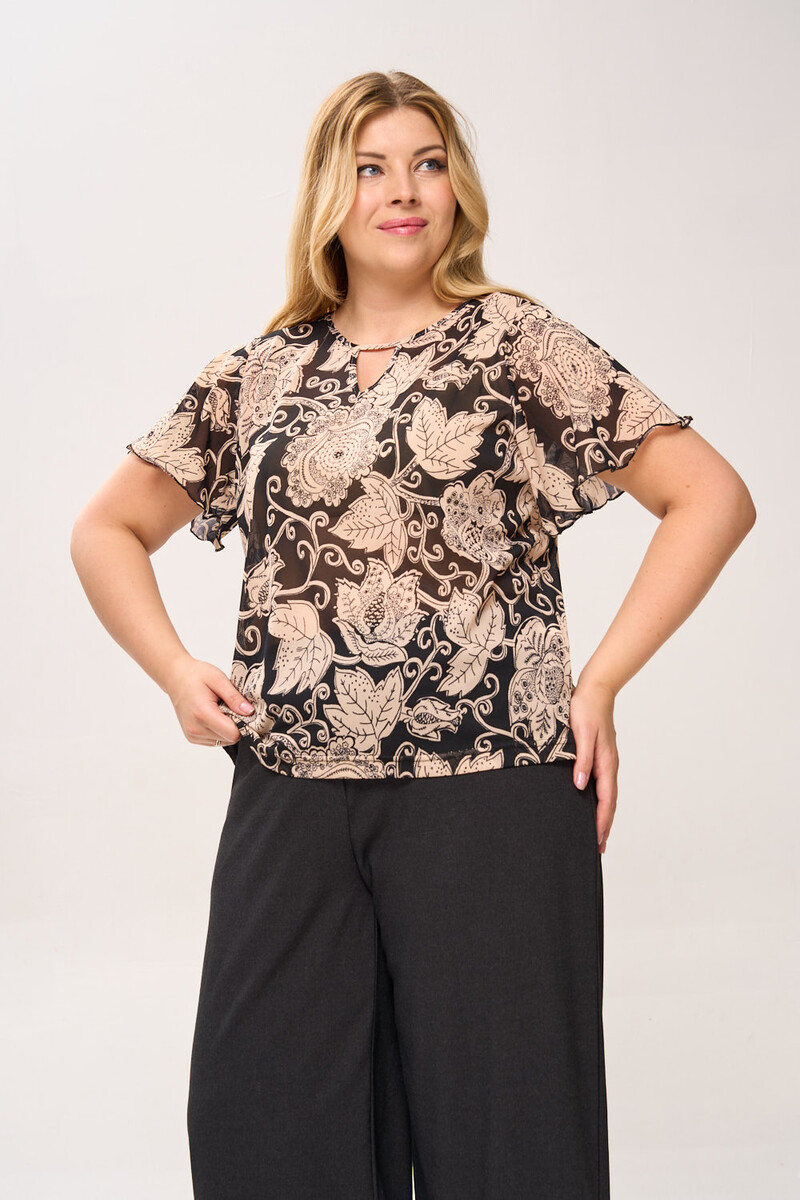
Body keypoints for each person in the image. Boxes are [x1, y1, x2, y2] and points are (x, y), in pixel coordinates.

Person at [70, 70, 756, 1200]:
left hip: (491, 791)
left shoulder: (517, 343)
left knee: (509, 1139)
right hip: (290, 789)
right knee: (264, 1124)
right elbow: (105, 530)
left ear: (458, 189)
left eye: (428, 164)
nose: (403, 191)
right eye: (372, 168)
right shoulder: (261, 370)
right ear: (327, 196)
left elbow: (710, 497)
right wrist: (175, 671)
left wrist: (598, 685)